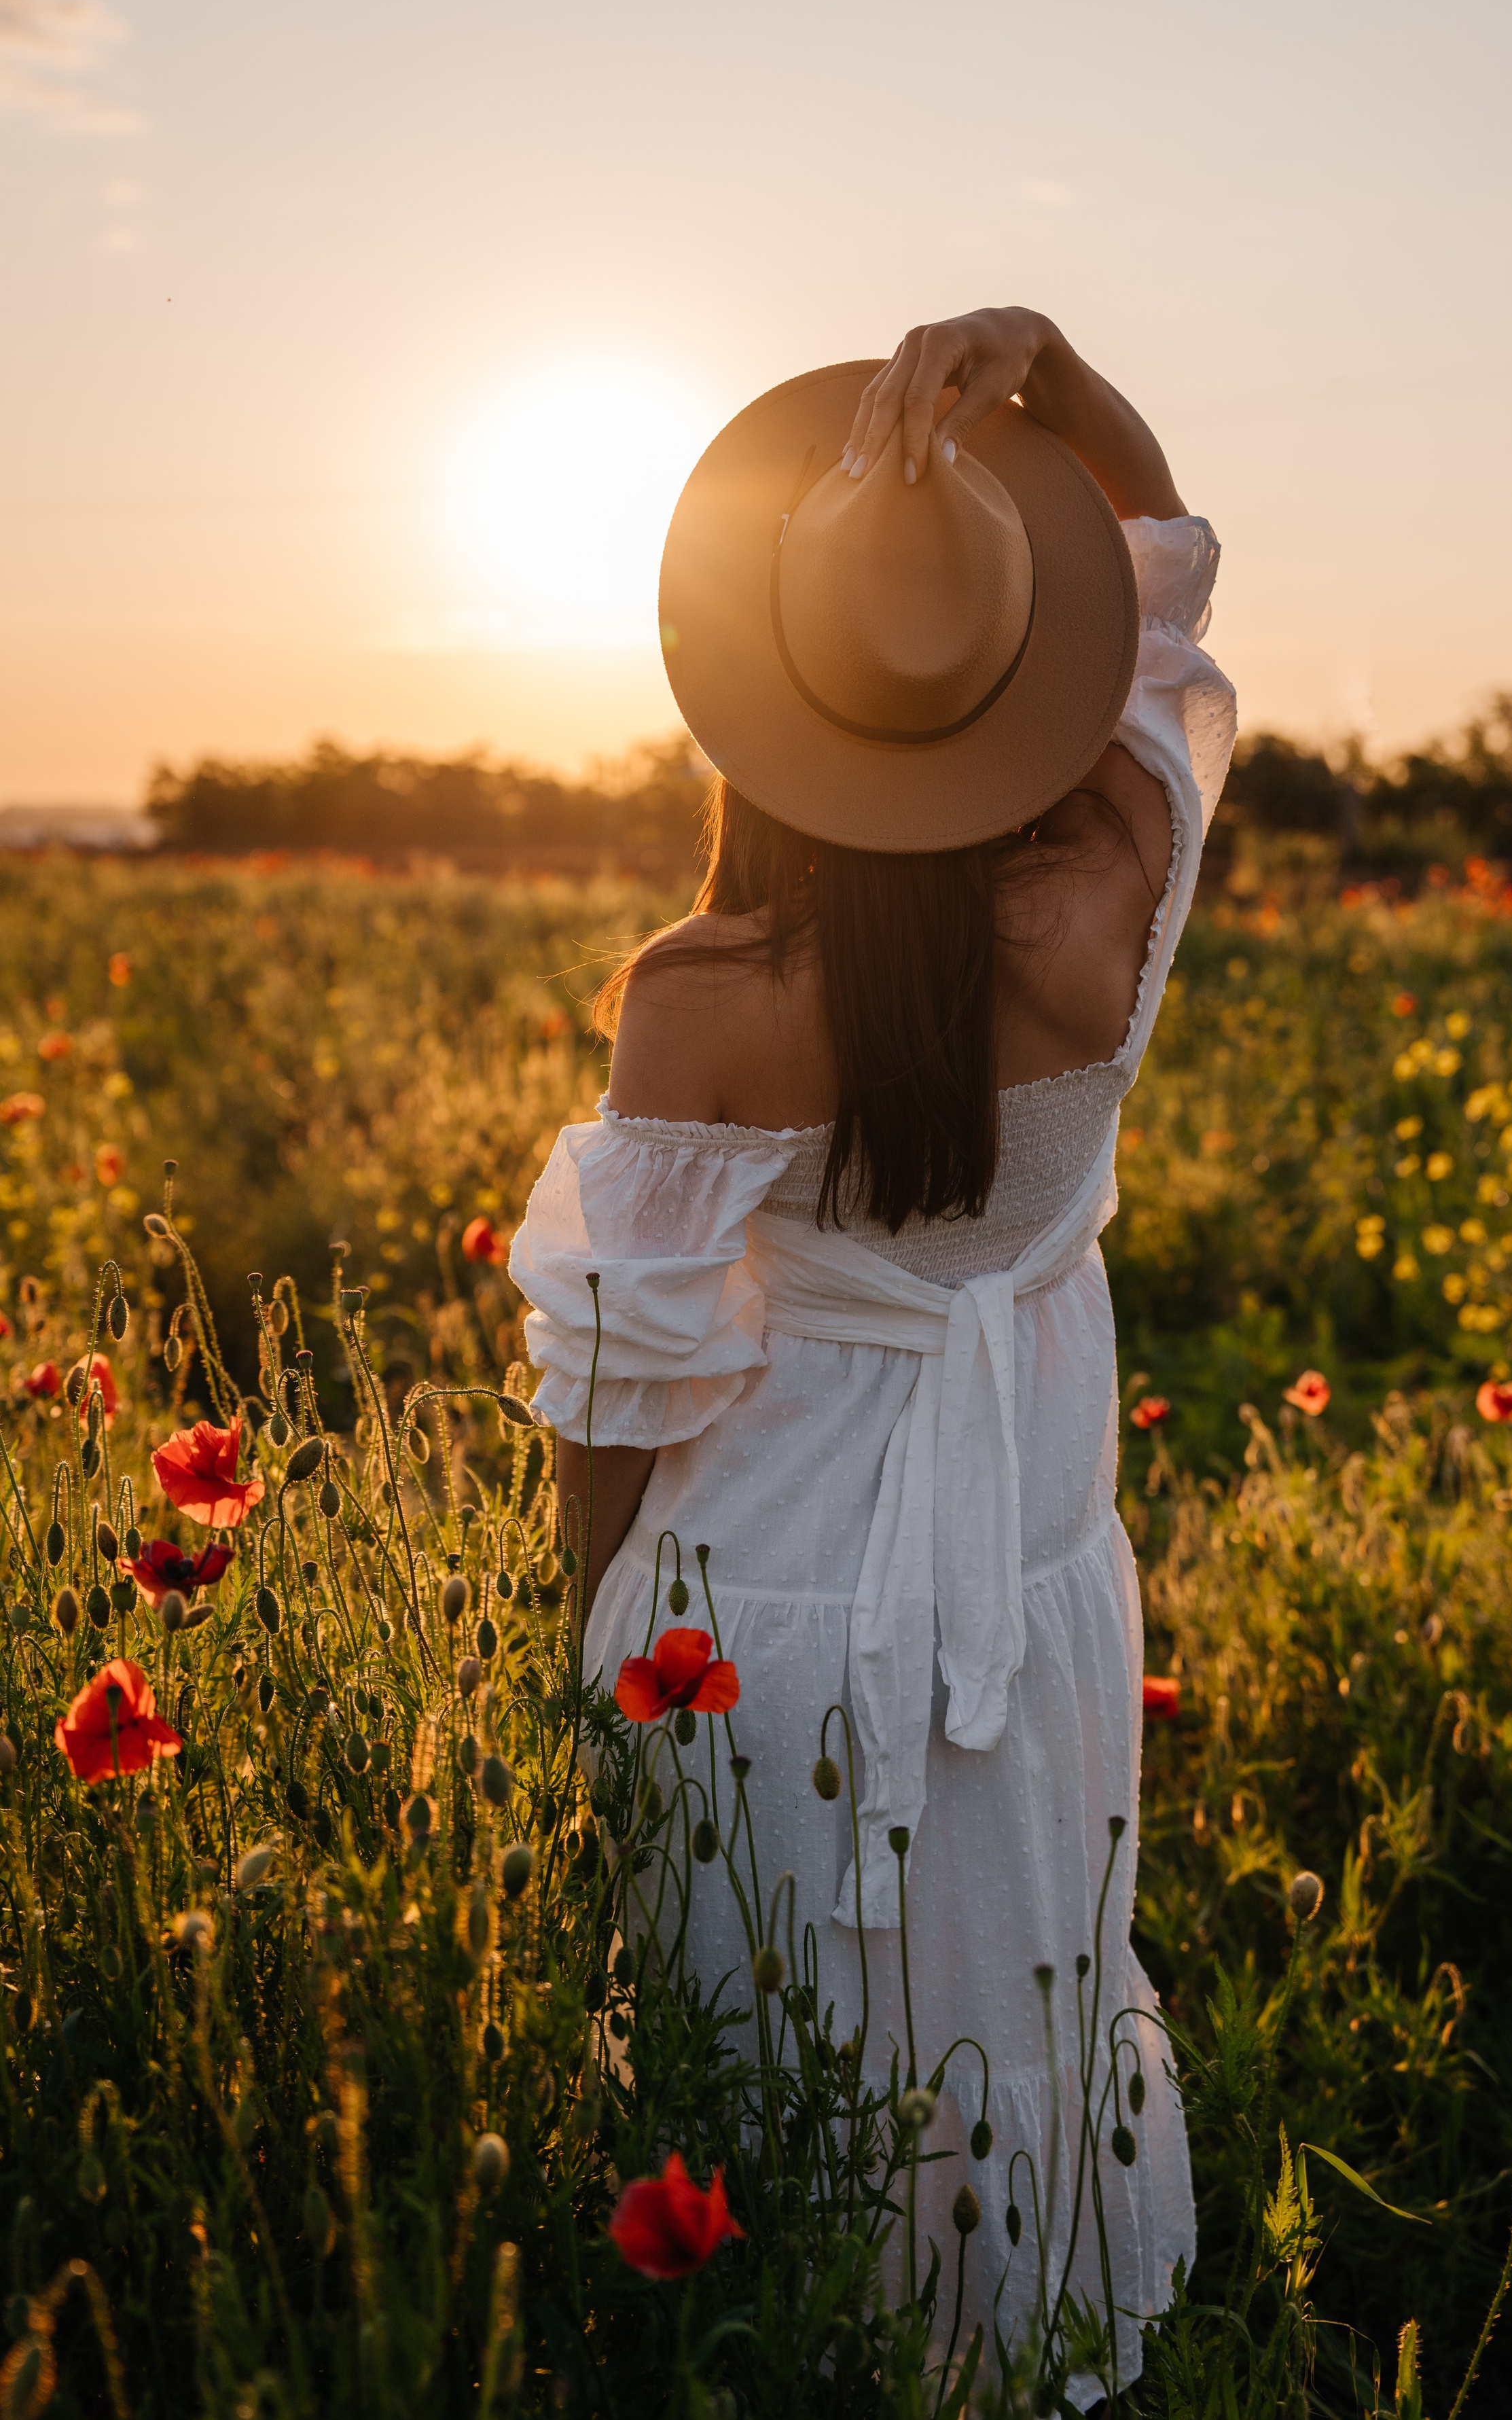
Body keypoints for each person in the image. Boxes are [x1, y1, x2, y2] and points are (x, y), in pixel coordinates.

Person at [510, 306, 1236, 2392]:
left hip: (756, 1612)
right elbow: (1168, 572)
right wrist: (1063, 378)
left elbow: (623, 1392)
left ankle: (801, 2356)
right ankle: (1025, 2347)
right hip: (1021, 1566)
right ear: (1032, 668)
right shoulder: (1128, 870)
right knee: (1024, 1992)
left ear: (763, 700)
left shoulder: (709, 986)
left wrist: (589, 1635)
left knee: (778, 2057)